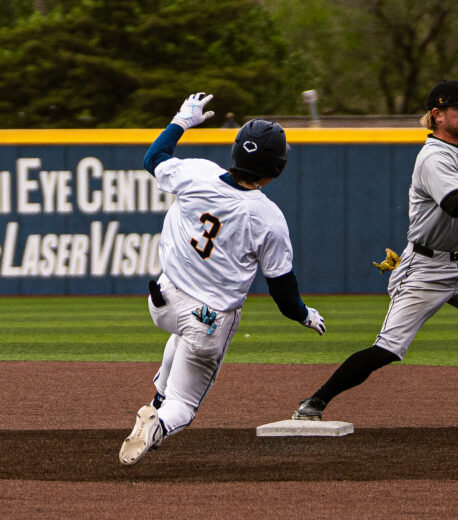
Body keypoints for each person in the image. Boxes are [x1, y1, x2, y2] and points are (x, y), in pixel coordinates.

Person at [292, 80, 458, 432]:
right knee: (386, 350)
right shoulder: (433, 158)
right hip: (425, 268)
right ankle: (315, 401)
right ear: (437, 115)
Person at [119, 93, 326, 466]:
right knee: (185, 405)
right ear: (275, 169)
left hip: (163, 300)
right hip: (207, 320)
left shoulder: (197, 173)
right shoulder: (269, 218)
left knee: (178, 334)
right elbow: (282, 290)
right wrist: (303, 315)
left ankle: (157, 400)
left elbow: (153, 159)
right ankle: (160, 422)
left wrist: (182, 120)